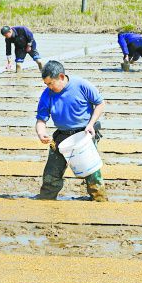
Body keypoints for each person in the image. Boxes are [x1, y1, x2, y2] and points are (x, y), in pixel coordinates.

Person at [35, 60, 107, 201]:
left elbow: (100, 103)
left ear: (61, 77)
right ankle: (46, 199)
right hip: (61, 137)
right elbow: (41, 120)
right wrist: (41, 133)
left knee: (92, 174)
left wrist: (91, 124)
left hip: (84, 135)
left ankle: (99, 200)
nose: (49, 87)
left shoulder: (81, 85)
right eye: (46, 84)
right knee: (51, 174)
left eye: (50, 83)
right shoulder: (47, 94)